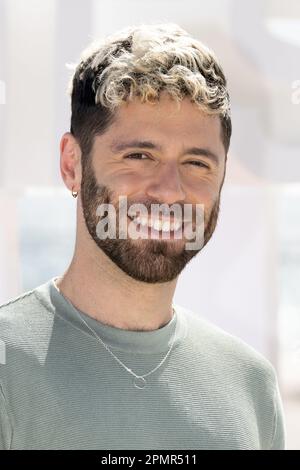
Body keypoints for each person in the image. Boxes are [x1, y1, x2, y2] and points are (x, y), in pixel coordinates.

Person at [0, 23, 285, 450]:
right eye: (138, 155)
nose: (169, 190)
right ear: (72, 165)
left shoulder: (251, 385)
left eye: (197, 163)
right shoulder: (7, 368)